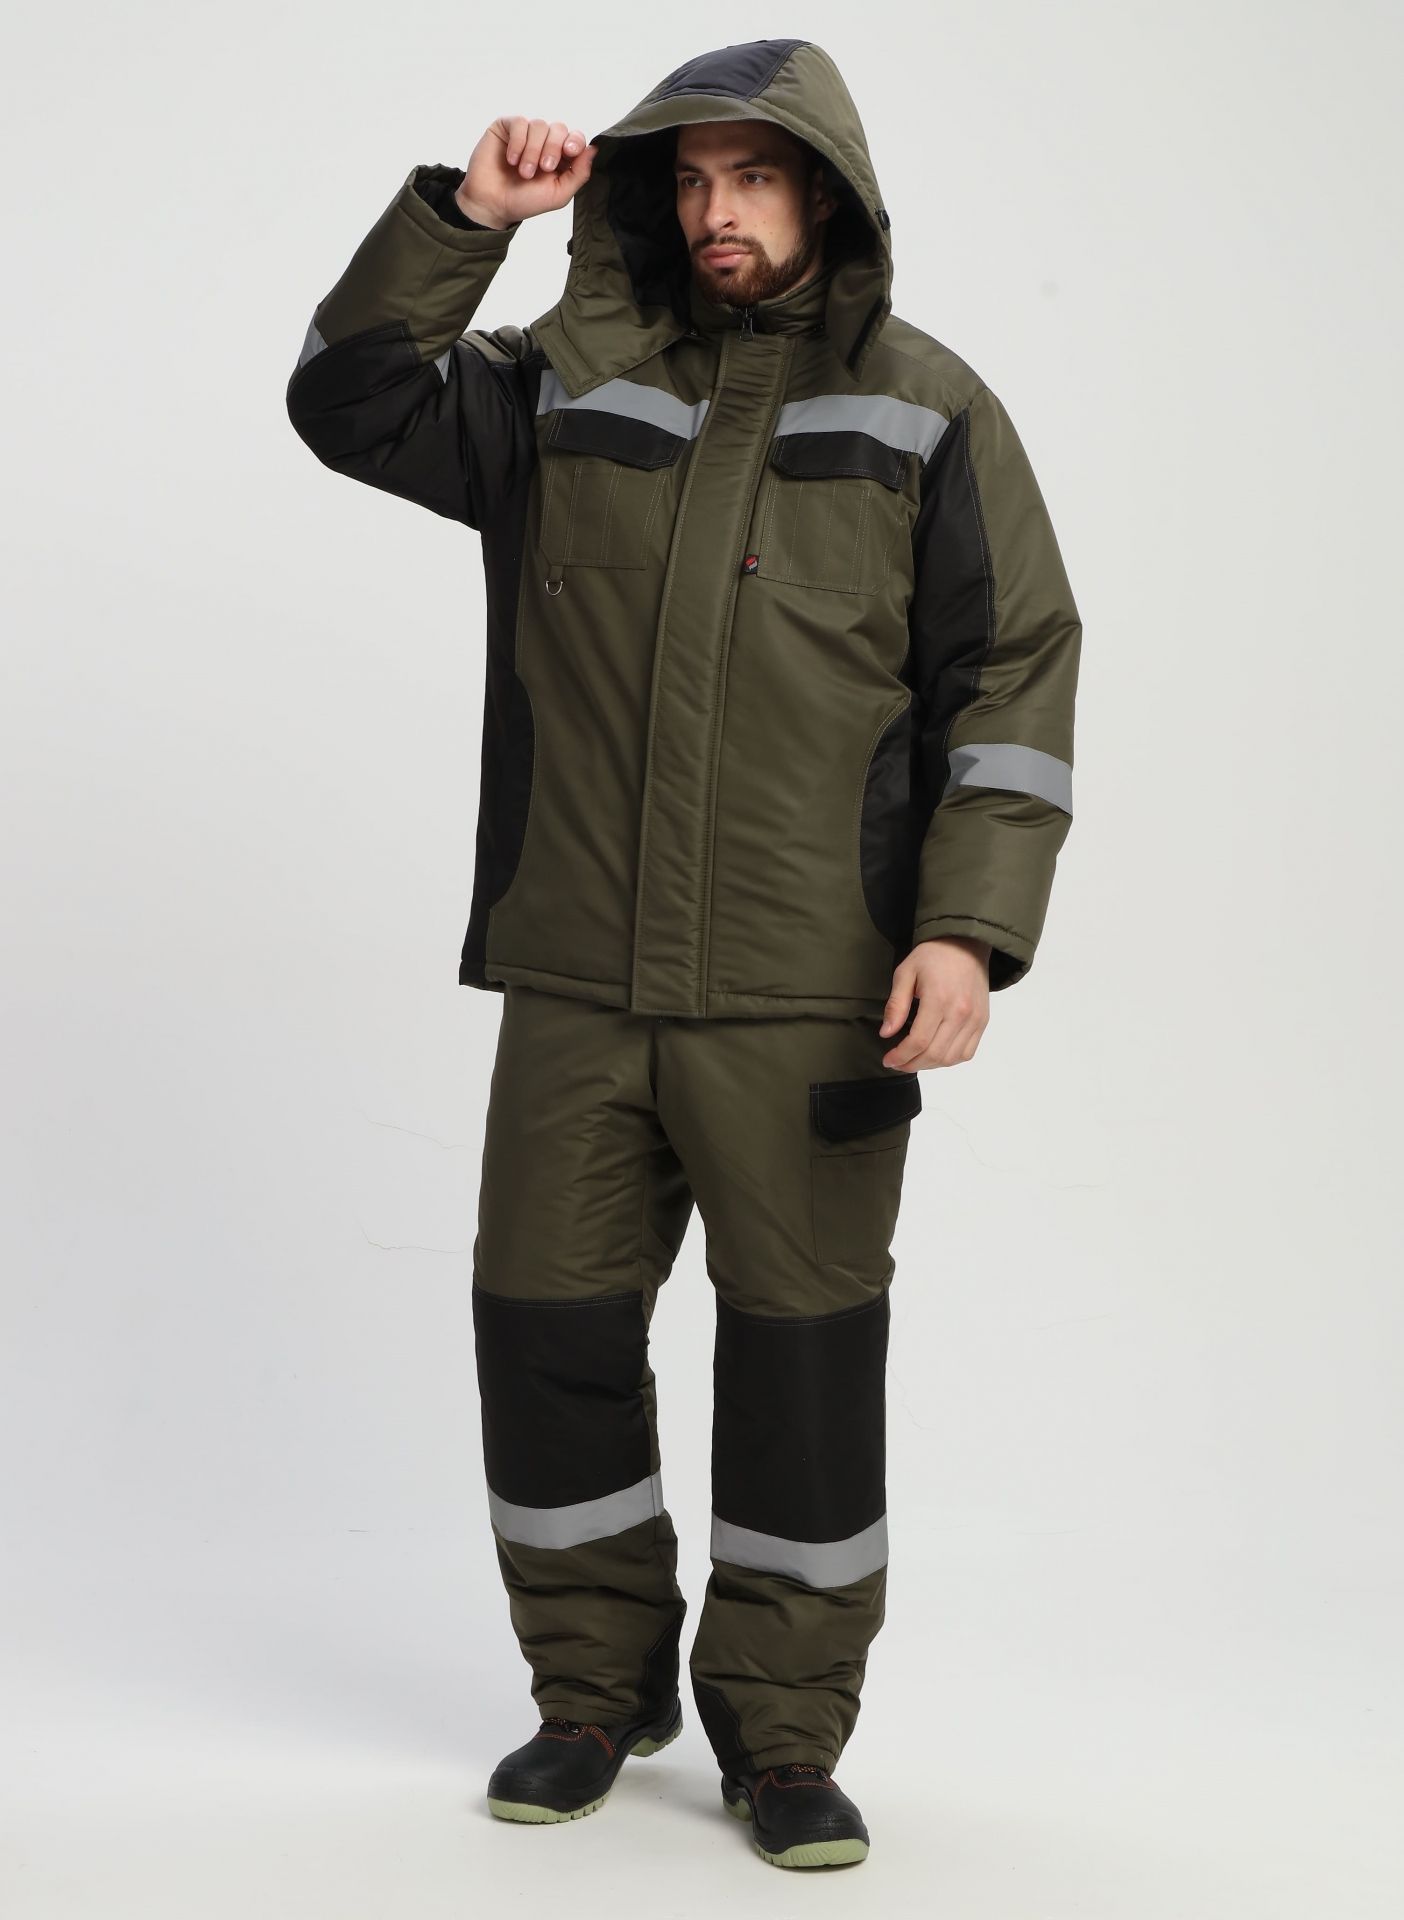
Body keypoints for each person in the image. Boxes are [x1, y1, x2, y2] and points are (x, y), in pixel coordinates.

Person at [287, 36, 1081, 1871]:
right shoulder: (565, 389)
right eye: (696, 178)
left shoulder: (928, 414)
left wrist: (967, 928)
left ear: (829, 196)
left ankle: (785, 1737)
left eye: (758, 176)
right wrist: (467, 217)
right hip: (577, 977)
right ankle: (592, 1694)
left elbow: (1012, 677)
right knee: (545, 1335)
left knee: (802, 1370)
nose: (721, 210)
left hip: (812, 997)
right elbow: (348, 399)